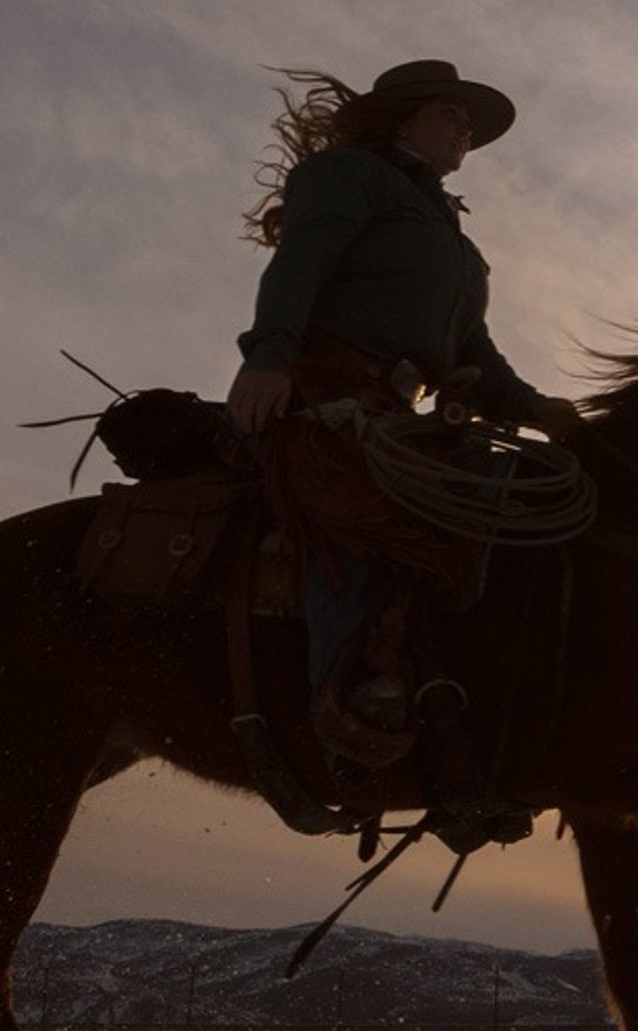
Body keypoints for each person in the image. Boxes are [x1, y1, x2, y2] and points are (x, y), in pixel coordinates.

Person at [227, 59, 579, 765]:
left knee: (499, 501)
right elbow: (301, 261)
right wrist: (269, 355)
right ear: (403, 119)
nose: (465, 131)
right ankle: (346, 696)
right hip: (325, 392)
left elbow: (470, 350)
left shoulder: (455, 242)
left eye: (470, 124)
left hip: (399, 407)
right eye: (452, 114)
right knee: (370, 510)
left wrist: (536, 408)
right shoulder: (350, 175)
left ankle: (464, 701)